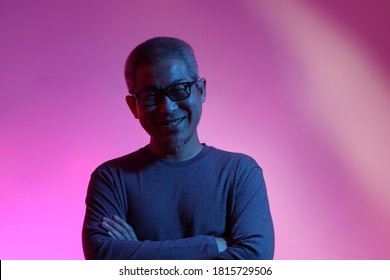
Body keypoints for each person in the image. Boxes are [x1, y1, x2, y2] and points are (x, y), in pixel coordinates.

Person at [82, 36, 274, 259]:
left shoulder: (239, 172)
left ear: (201, 90)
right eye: (151, 96)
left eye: (179, 89)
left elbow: (254, 261)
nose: (168, 108)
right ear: (133, 106)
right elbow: (102, 257)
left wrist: (137, 254)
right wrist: (213, 245)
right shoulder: (111, 179)